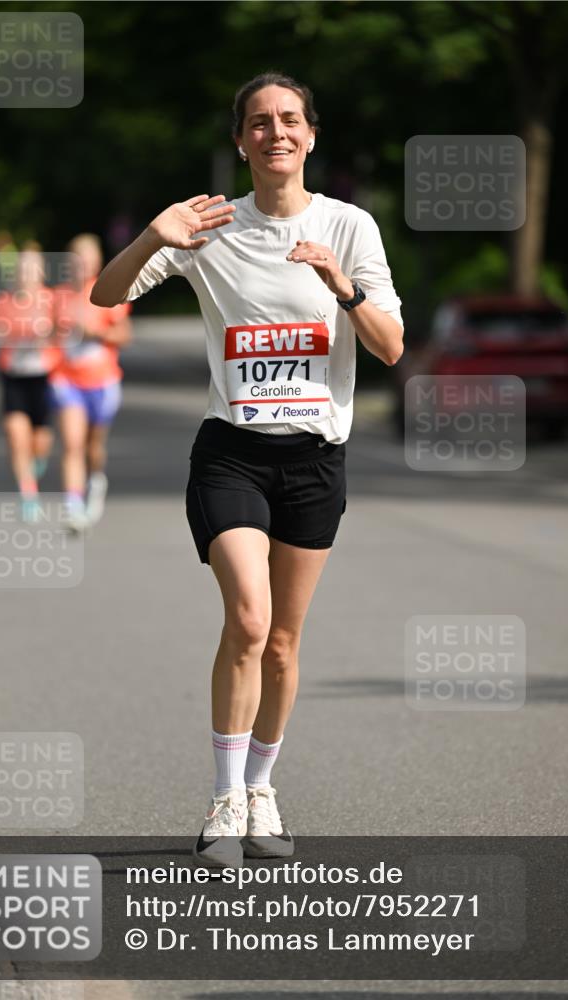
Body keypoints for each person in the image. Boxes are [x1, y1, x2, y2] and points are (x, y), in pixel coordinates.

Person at [91, 72, 404, 867]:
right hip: (231, 452)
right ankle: (224, 800)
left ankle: (262, 790)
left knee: (284, 644)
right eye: (259, 123)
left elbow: (391, 347)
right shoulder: (210, 226)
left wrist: (341, 287)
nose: (275, 133)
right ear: (241, 141)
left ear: (310, 135)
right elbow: (105, 294)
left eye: (289, 120)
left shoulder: (351, 227)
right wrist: (155, 236)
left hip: (314, 459)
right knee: (251, 621)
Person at [50, 234, 132, 531]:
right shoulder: (58, 297)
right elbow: (46, 334)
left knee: (93, 447)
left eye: (88, 257)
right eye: (77, 257)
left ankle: (96, 480)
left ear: (97, 261)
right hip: (66, 380)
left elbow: (124, 335)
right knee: (72, 444)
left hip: (103, 381)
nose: (82, 263)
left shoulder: (108, 292)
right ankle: (72, 508)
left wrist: (94, 333)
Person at [0, 243, 60, 522]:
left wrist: (49, 333)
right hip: (14, 377)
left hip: (45, 377)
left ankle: (36, 465)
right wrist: (11, 331)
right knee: (16, 436)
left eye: (32, 268)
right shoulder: (3, 302)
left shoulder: (51, 300)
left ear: (41, 272)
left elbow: (64, 333)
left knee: (40, 442)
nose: (26, 274)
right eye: (22, 268)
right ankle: (28, 494)